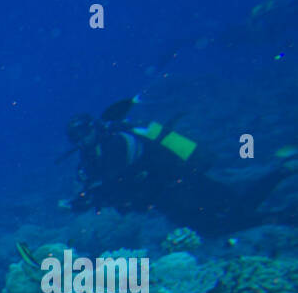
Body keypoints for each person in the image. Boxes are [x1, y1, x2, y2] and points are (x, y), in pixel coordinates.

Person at [64, 97, 294, 234]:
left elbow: (121, 183)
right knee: (213, 226)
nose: (82, 141)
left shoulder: (115, 143)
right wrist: (87, 197)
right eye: (76, 138)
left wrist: (93, 198)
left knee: (234, 206)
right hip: (166, 197)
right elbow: (110, 185)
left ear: (95, 127)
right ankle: (277, 215)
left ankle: (283, 174)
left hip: (182, 182)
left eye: (84, 133)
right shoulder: (93, 156)